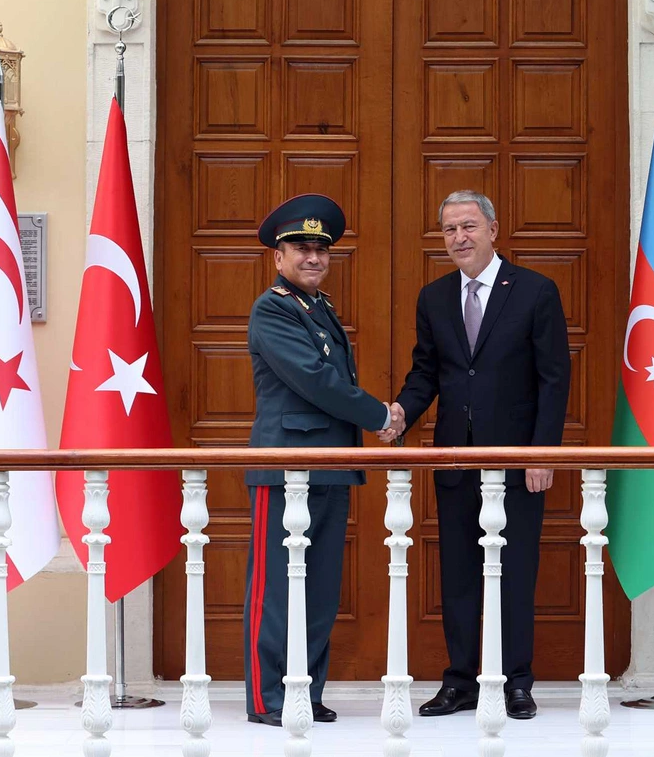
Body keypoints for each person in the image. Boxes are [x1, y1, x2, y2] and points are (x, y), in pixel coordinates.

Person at [384, 190, 571, 720]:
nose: (459, 238)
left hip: (517, 462)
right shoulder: (434, 297)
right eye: (449, 230)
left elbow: (554, 379)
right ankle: (461, 681)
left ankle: (517, 682)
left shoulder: (534, 291)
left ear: (493, 228)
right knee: (459, 574)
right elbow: (426, 373)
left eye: (468, 226)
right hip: (455, 462)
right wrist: (400, 413)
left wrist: (542, 453)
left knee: (515, 571)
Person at [243, 193, 394, 726]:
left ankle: (304, 691)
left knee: (320, 588)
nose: (313, 258)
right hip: (286, 468)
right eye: (300, 248)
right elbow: (315, 380)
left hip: (328, 464)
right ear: (278, 256)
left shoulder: (319, 307)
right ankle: (268, 698)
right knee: (276, 589)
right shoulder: (273, 308)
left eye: (321, 249)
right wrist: (381, 415)